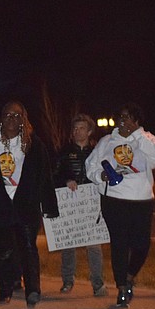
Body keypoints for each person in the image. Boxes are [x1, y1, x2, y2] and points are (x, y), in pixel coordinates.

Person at [0, 100, 59, 308]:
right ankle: (5, 290)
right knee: (4, 251)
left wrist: (49, 205)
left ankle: (33, 290)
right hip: (1, 204)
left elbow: (44, 175)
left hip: (26, 204)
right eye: (7, 115)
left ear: (23, 120)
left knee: (29, 248)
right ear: (1, 119)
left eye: (16, 115)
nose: (11, 119)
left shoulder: (33, 143)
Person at [85, 102, 155, 308]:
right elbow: (90, 166)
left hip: (142, 199)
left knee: (141, 245)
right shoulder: (106, 141)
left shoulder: (147, 139)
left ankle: (129, 276)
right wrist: (99, 175)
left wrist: (137, 135)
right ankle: (121, 287)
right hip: (114, 199)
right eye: (121, 117)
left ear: (137, 121)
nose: (124, 122)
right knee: (119, 243)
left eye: (129, 118)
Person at [54, 114, 107, 297]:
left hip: (91, 205)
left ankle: (98, 284)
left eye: (81, 128)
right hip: (70, 204)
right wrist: (67, 180)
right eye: (75, 128)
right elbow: (55, 172)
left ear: (90, 131)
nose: (77, 132)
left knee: (94, 246)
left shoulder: (96, 151)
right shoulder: (64, 151)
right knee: (69, 245)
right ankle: (67, 281)